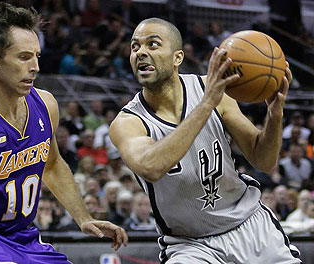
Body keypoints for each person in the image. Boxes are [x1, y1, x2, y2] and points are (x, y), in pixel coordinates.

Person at [0, 2, 128, 264]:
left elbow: (53, 165)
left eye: (37, 56)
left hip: (21, 236)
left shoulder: (46, 105)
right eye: (24, 57)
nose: (35, 66)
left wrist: (84, 217)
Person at [109, 17, 301, 263]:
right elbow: (151, 167)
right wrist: (206, 103)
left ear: (178, 57)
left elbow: (263, 161)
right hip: (191, 245)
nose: (141, 53)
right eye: (135, 47)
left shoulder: (213, 91)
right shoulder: (128, 122)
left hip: (250, 227)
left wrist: (275, 116)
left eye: (153, 44)